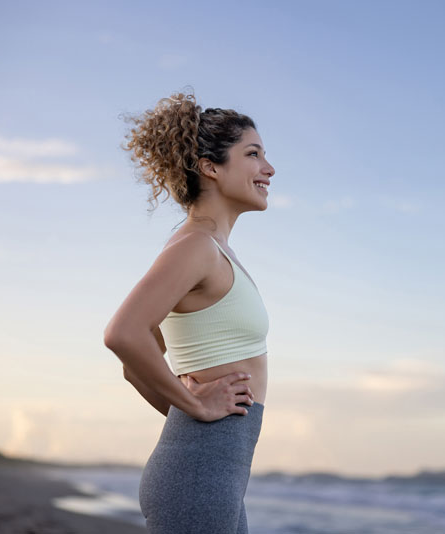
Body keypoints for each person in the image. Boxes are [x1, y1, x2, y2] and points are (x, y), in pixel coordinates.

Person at [103, 90, 275, 533]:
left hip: (212, 471)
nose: (269, 168)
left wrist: (189, 413)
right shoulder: (196, 246)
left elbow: (135, 367)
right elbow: (123, 334)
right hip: (199, 475)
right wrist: (194, 407)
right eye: (253, 154)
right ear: (211, 167)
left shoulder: (212, 249)